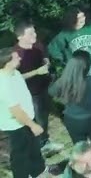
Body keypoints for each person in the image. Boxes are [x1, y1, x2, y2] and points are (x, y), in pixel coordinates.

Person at [12, 21, 60, 157]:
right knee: (37, 119)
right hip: (30, 93)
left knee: (43, 116)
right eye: (31, 33)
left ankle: (44, 141)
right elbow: (15, 77)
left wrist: (46, 61)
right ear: (20, 37)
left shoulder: (37, 44)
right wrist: (36, 72)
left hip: (44, 86)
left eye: (35, 31)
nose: (35, 35)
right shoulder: (16, 54)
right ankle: (41, 146)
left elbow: (45, 56)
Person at [1, 44, 47, 178]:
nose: (19, 58)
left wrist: (37, 72)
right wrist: (33, 125)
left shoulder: (13, 72)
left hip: (26, 119)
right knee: (20, 155)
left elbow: (22, 77)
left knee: (34, 149)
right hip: (17, 124)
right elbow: (16, 111)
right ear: (7, 63)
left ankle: (38, 172)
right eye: (16, 58)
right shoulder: (3, 84)